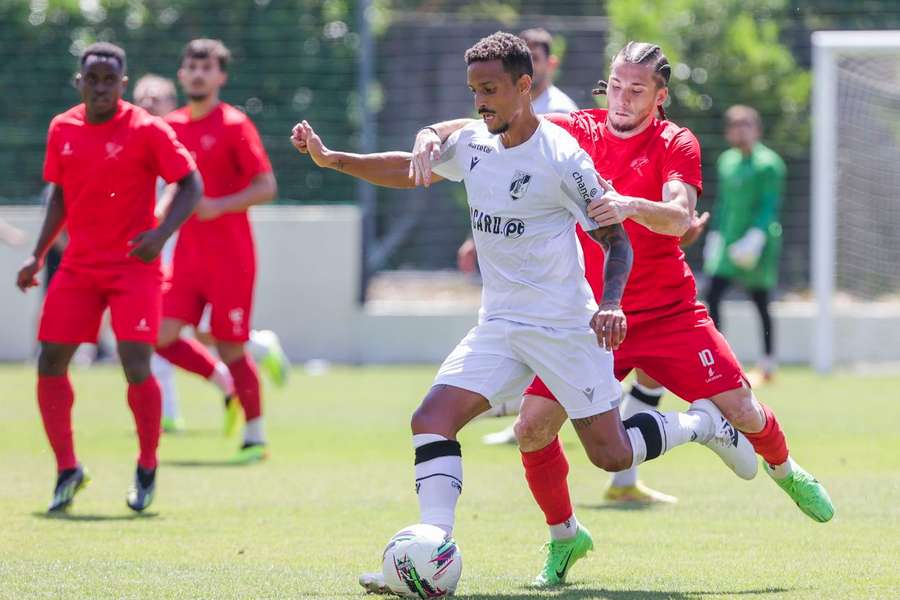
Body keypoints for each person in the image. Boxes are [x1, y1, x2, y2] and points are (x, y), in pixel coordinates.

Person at [291, 31, 755, 592]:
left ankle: (704, 424)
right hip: (501, 327)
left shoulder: (563, 157)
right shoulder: (473, 142)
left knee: (610, 456)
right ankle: (430, 549)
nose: (479, 101)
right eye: (473, 91)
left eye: (490, 89)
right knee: (430, 420)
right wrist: (335, 159)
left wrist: (610, 303)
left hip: (564, 330)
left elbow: (617, 241)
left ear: (524, 86)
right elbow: (409, 169)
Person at [410, 40, 834, 587]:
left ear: (660, 97)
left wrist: (633, 205)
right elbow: (494, 118)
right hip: (591, 320)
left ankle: (785, 470)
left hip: (666, 312)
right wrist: (430, 133)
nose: (623, 98)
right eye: (615, 85)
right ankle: (565, 538)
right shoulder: (578, 128)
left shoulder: (676, 142)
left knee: (746, 411)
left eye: (637, 89)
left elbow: (679, 215)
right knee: (533, 429)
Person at [16, 42, 202, 513]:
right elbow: (59, 195)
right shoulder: (63, 127)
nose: (100, 86)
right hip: (78, 265)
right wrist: (38, 255)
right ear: (80, 82)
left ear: (123, 84)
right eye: (91, 78)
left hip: (132, 266)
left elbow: (191, 182)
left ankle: (146, 465)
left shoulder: (145, 129)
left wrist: (160, 235)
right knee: (49, 362)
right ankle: (67, 469)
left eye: (109, 79)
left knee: (135, 361)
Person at [153, 39, 277, 462]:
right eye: (192, 66)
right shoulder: (169, 125)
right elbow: (166, 183)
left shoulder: (235, 124)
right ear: (182, 74)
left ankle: (256, 435)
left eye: (207, 67)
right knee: (160, 335)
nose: (199, 73)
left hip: (231, 256)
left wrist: (217, 206)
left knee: (231, 345)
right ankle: (223, 382)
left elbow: (267, 186)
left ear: (221, 76)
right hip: (186, 255)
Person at [478, 27, 581, 444]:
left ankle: (519, 405)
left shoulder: (559, 112)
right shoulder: (498, 110)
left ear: (548, 63)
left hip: (557, 247)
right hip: (516, 244)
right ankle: (521, 411)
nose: (534, 63)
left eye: (540, 56)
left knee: (610, 449)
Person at [703, 105, 785, 383]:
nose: (740, 130)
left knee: (760, 300)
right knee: (712, 295)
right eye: (735, 125)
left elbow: (769, 205)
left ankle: (768, 363)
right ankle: (720, 358)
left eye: (745, 124)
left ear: (757, 128)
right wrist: (714, 234)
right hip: (728, 241)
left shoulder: (769, 164)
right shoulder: (726, 161)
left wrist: (756, 237)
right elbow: (723, 203)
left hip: (758, 242)